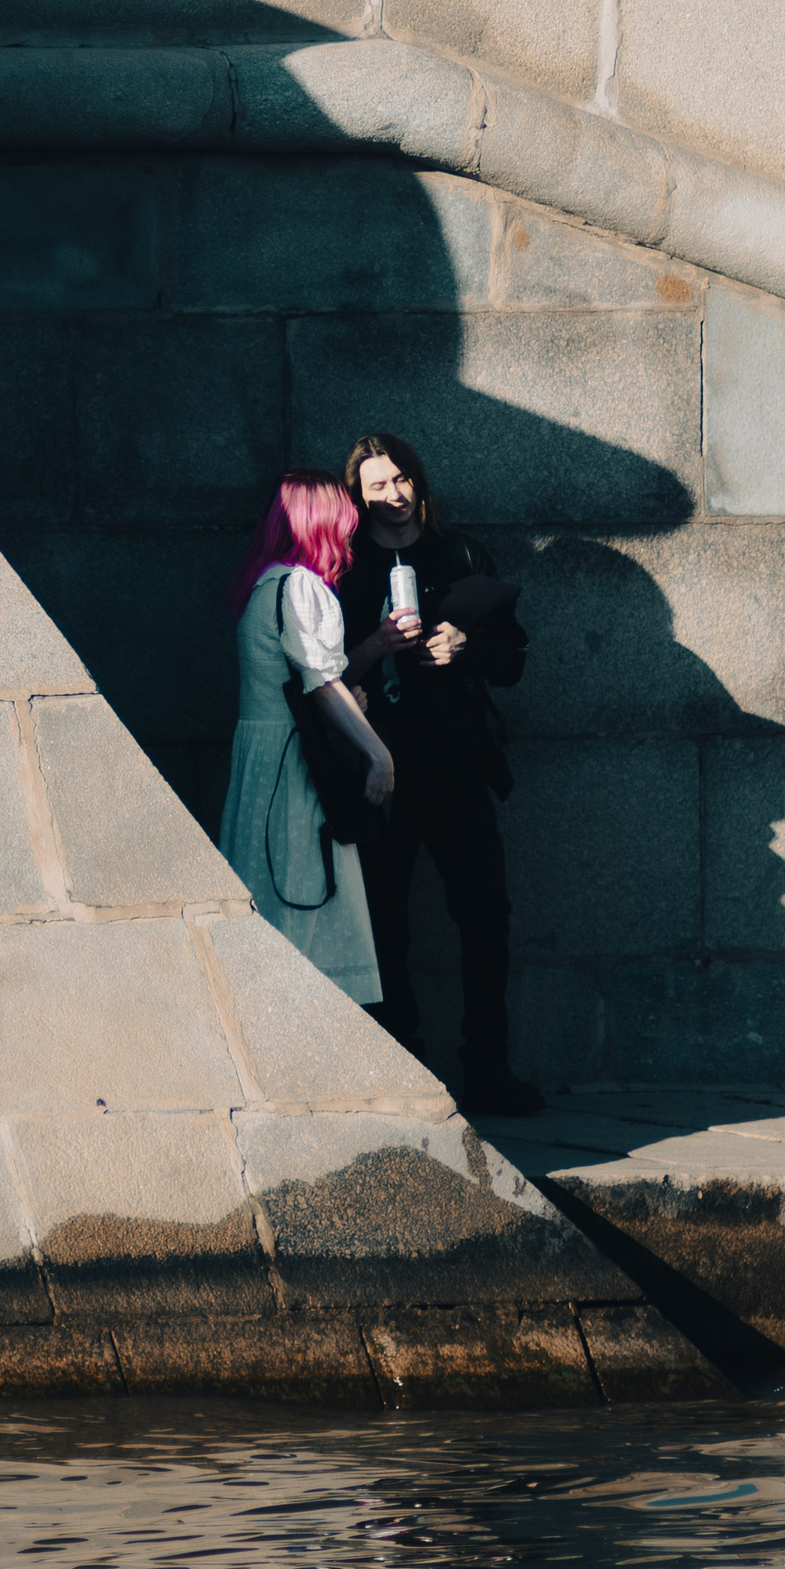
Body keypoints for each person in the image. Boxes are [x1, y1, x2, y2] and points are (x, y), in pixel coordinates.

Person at [334, 432, 543, 1117]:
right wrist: (376, 647)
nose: (392, 497)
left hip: (458, 766)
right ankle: (405, 1071)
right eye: (376, 488)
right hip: (383, 772)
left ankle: (488, 1070)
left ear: (418, 482)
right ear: (357, 498)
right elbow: (320, 678)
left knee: (486, 918)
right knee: (385, 925)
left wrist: (465, 647)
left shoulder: (460, 554)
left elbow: (513, 662)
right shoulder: (348, 565)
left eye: (400, 481)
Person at [217, 470, 394, 1005]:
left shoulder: (265, 581)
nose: (349, 535)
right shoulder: (302, 585)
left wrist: (344, 698)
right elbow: (318, 681)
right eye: (343, 522)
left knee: (270, 903)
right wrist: (379, 755)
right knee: (305, 903)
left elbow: (306, 680)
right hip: (296, 772)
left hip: (265, 765)